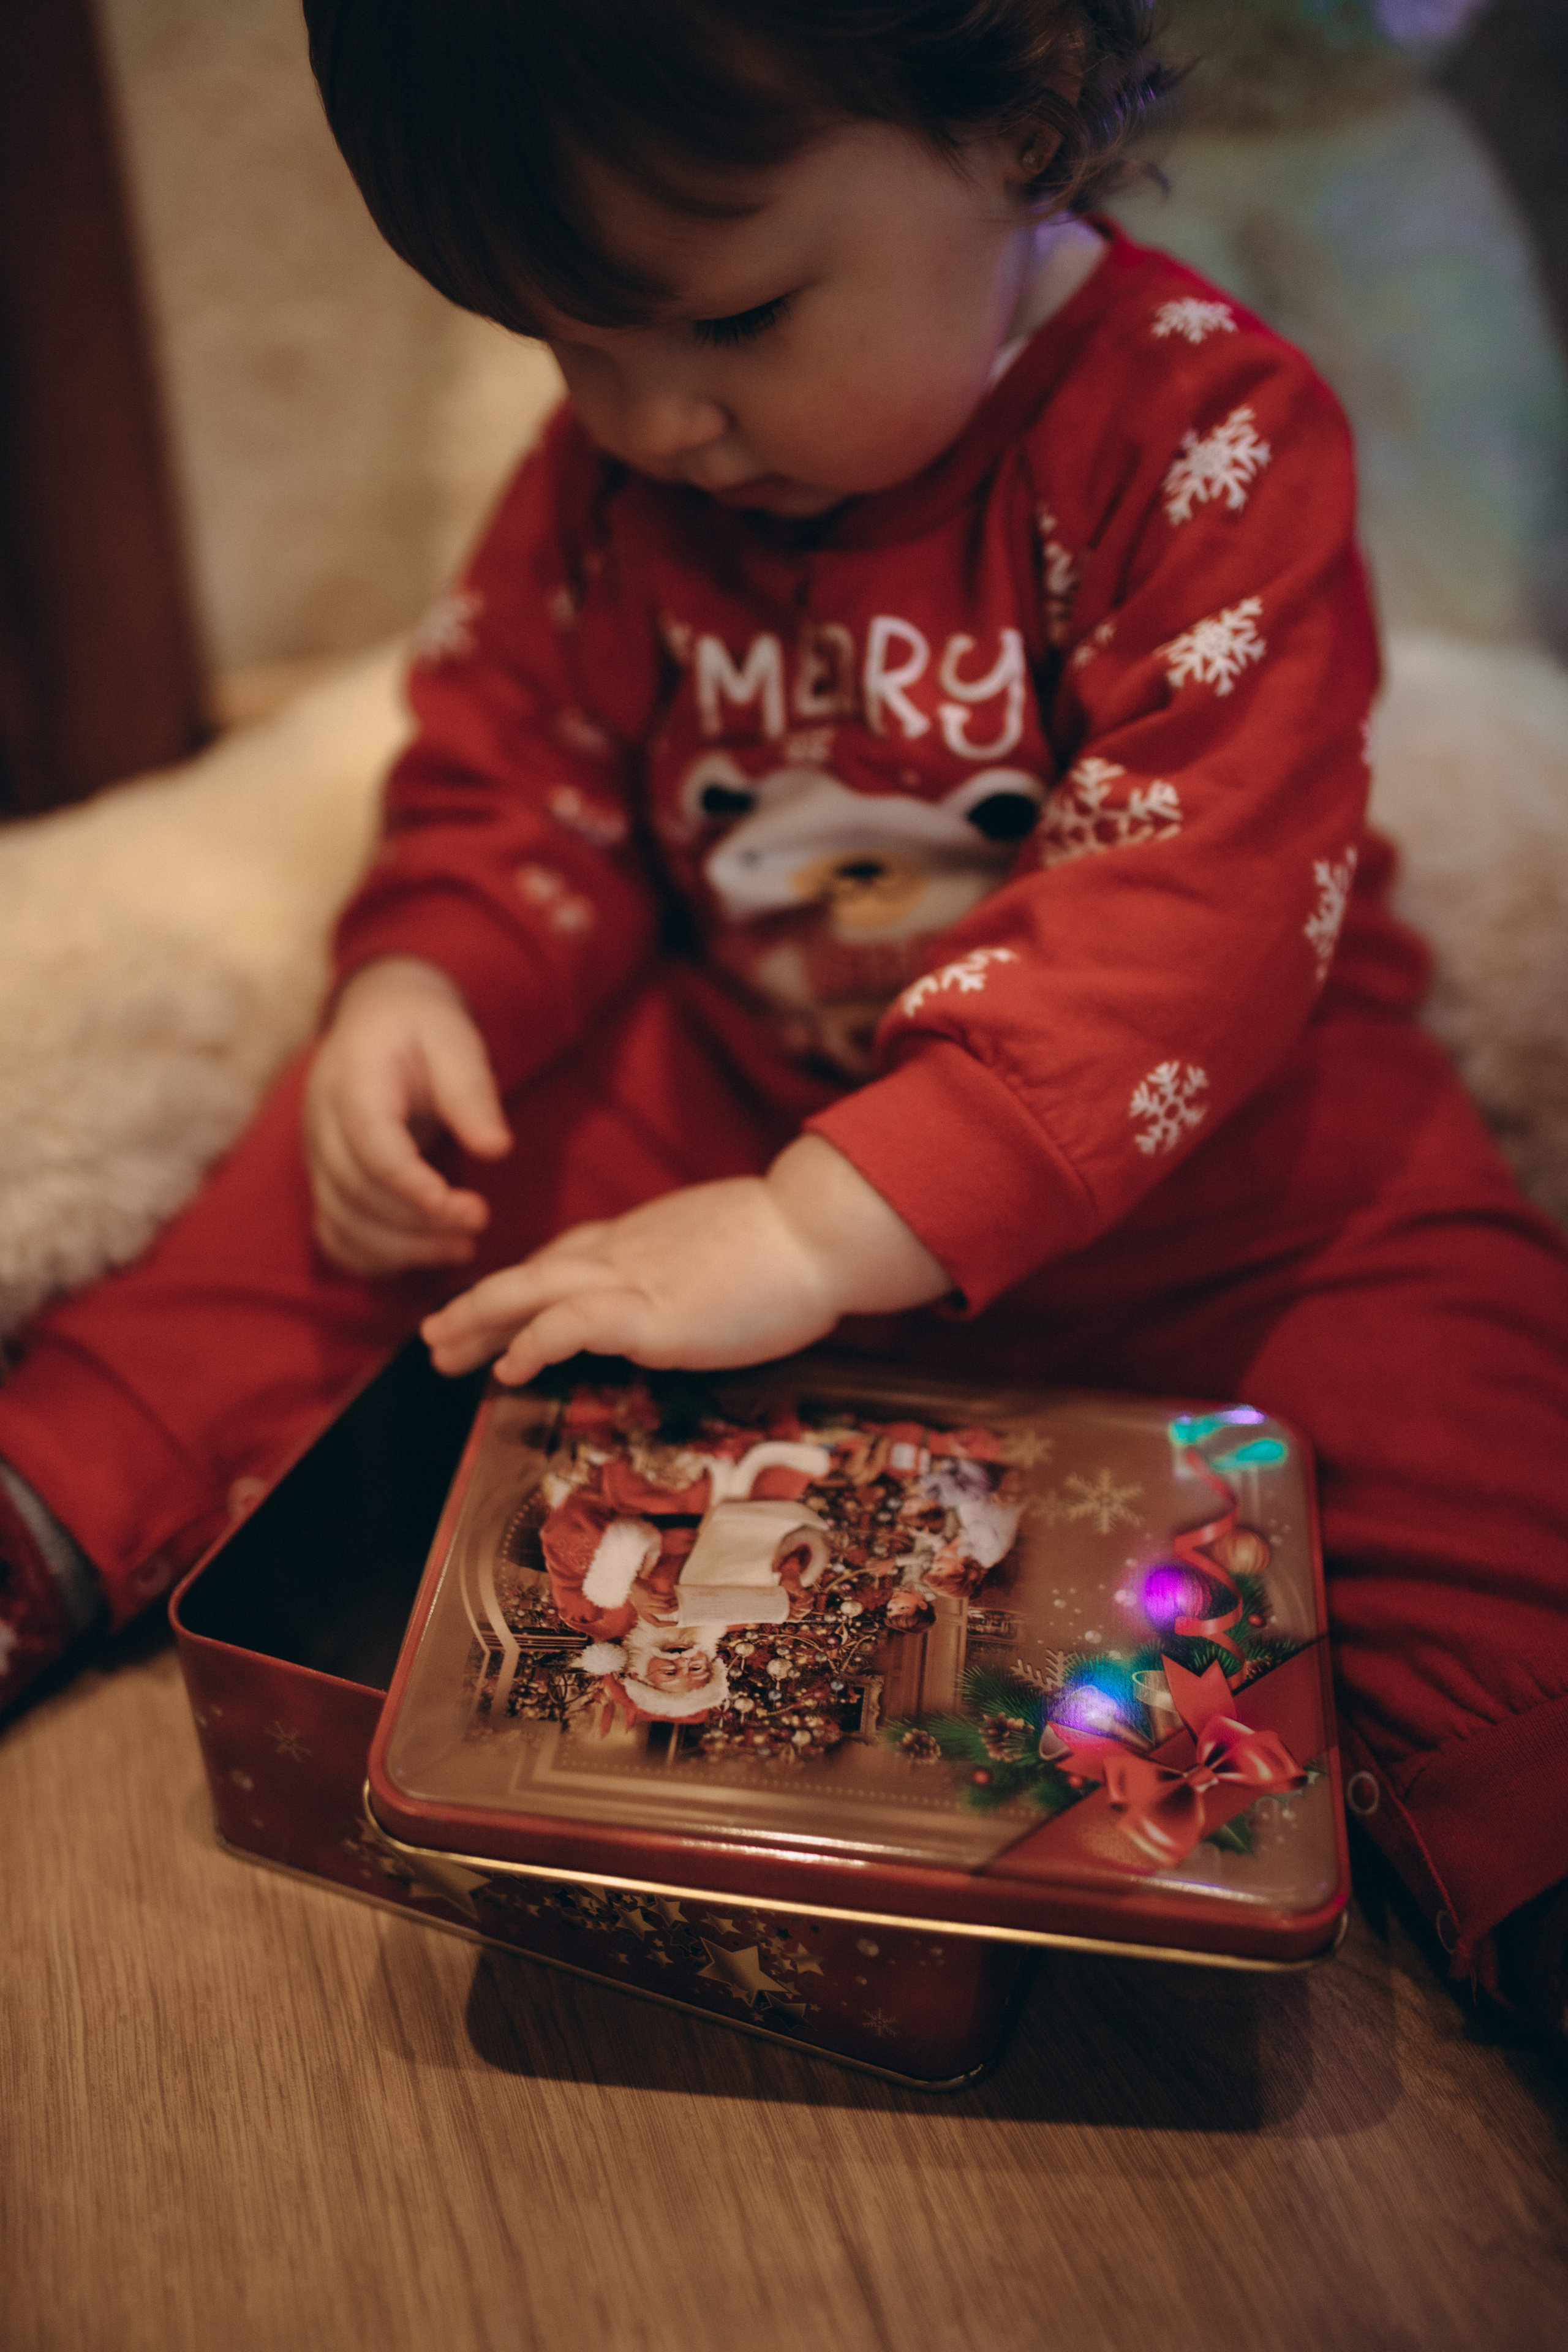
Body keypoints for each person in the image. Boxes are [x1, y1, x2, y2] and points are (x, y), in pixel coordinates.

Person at [0, 0, 1562, 2034]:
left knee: (1480, 1407)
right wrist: (425, 973)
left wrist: (835, 1229)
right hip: (742, 1098)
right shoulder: (608, 489)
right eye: (574, 347)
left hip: (1224, 1180)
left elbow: (1202, 900)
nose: (650, 422)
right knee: (355, 1190)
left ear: (1023, 110)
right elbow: (513, 772)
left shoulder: (1206, 435)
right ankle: (51, 1486)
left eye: (733, 324)